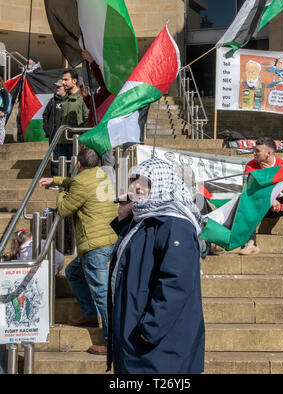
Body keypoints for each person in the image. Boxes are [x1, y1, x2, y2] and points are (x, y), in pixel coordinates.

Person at [107, 157, 206, 374]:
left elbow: (176, 283)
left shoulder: (175, 224)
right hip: (138, 342)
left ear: (163, 184)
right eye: (135, 180)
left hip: (159, 348)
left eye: (146, 181)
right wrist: (125, 214)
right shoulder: (144, 221)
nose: (137, 186)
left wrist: (149, 329)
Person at [38, 146, 117, 355]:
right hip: (109, 239)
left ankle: (111, 343)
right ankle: (91, 314)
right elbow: (76, 183)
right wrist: (55, 180)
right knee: (73, 273)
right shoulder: (101, 175)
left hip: (95, 245)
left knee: (102, 294)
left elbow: (64, 209)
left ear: (78, 164)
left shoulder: (81, 183)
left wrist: (60, 192)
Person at [239, 137, 283, 256]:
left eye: (257, 151)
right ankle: (251, 243)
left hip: (275, 208)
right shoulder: (250, 165)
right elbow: (246, 191)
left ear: (268, 154)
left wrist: (273, 174)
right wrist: (269, 199)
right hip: (258, 206)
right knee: (246, 200)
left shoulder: (282, 165)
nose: (254, 153)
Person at [59, 69, 89, 166]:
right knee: (63, 171)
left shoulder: (83, 98)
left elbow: (87, 119)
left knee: (75, 170)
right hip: (62, 141)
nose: (63, 82)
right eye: (63, 80)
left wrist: (83, 141)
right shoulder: (65, 98)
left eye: (66, 80)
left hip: (76, 142)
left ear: (74, 81)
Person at [42, 79, 66, 176]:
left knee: (66, 157)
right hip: (54, 135)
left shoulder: (70, 100)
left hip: (66, 135)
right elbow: (45, 115)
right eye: (56, 86)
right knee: (54, 157)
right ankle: (55, 179)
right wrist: (47, 128)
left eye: (59, 86)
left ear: (65, 87)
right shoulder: (52, 101)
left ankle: (66, 179)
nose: (57, 88)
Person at [0, 76, 11, 145]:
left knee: (0, 127)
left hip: (1, 112)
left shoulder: (3, 91)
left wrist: (4, 111)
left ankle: (1, 141)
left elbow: (6, 102)